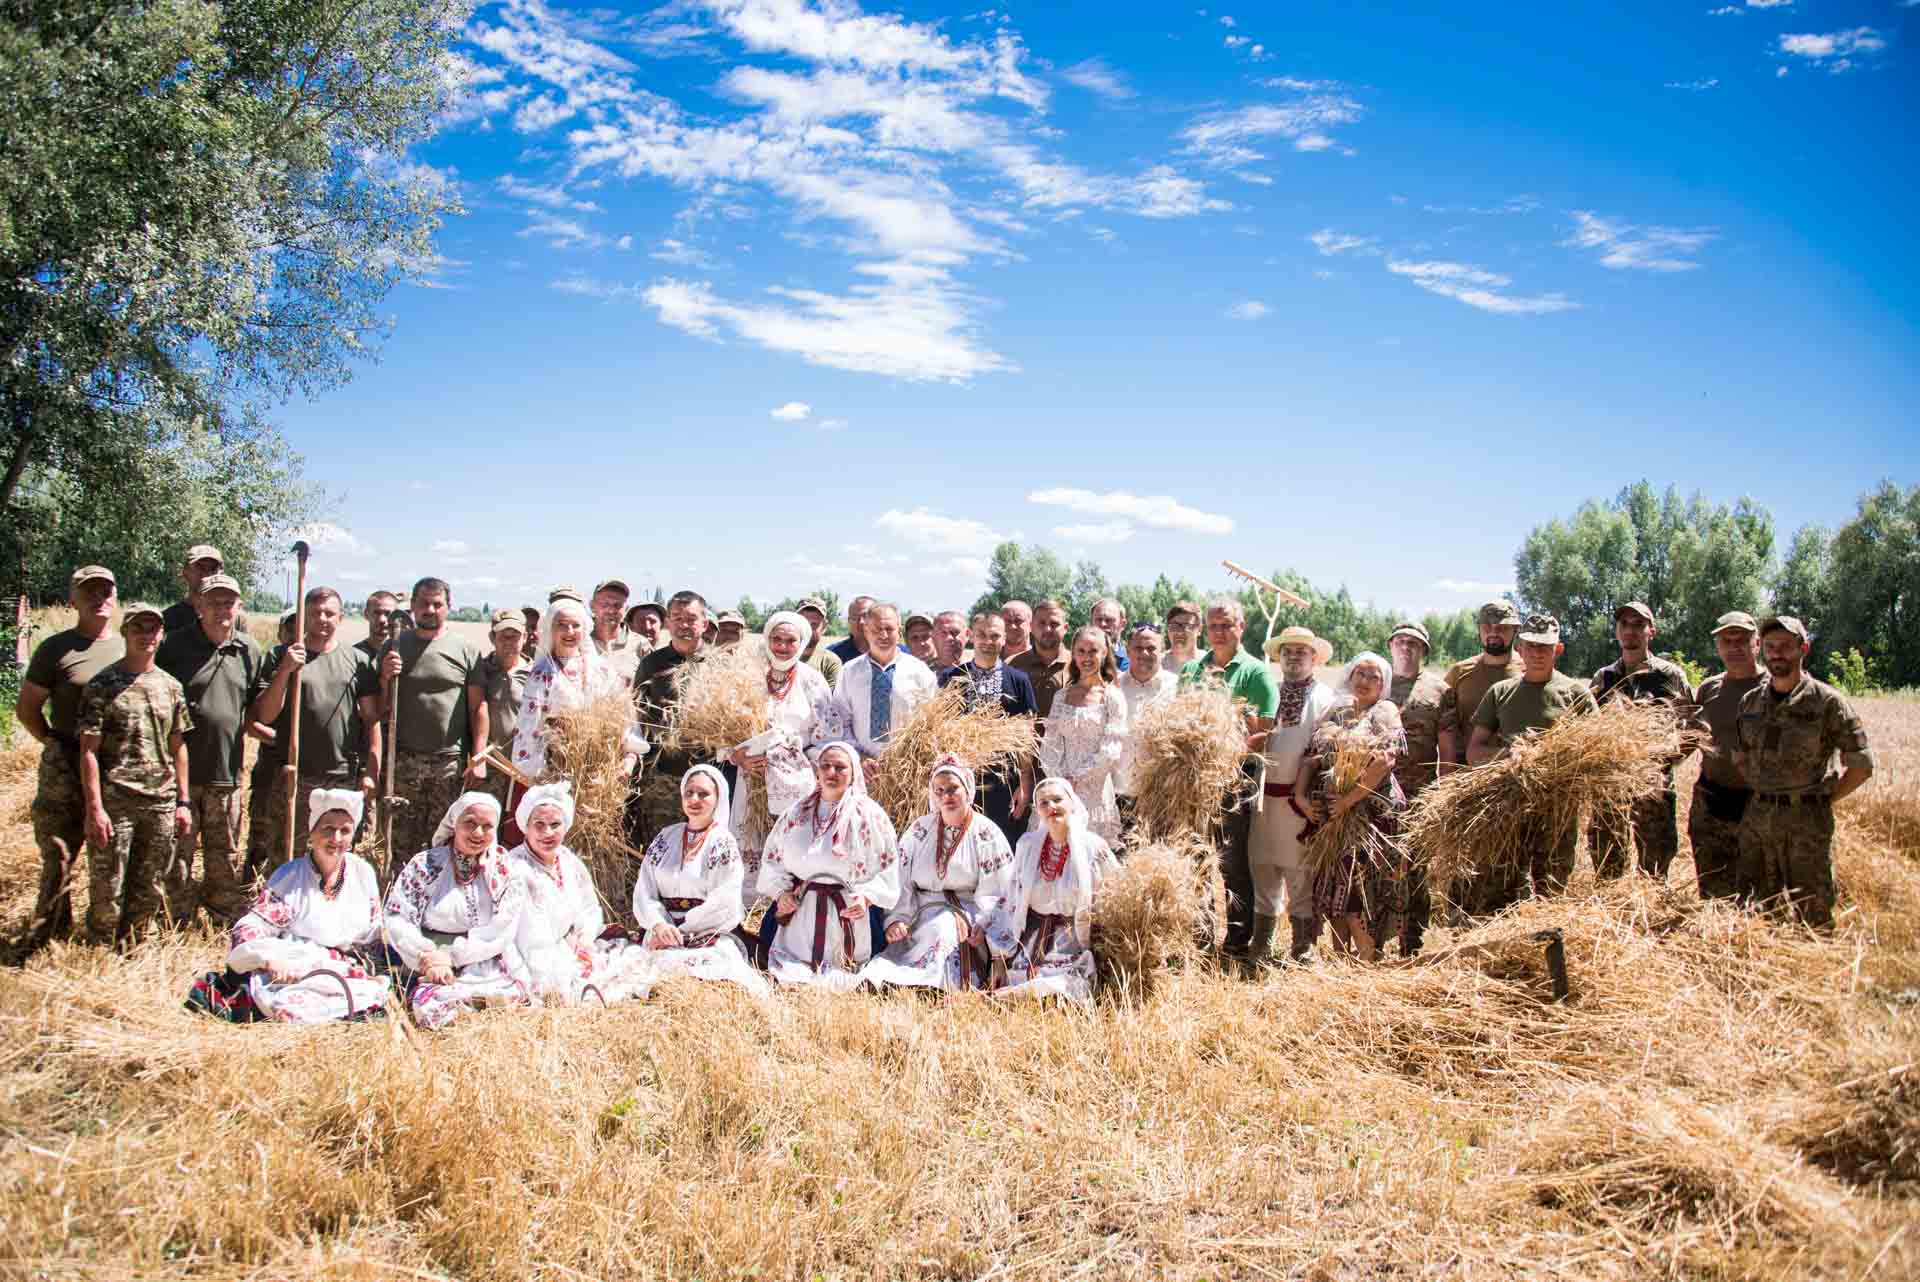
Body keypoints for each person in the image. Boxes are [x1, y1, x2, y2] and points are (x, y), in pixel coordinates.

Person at [1732, 616, 1874, 928]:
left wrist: (1821, 800)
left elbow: (1861, 766)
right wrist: (1762, 788)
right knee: (1756, 912)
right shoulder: (1751, 701)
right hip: (1758, 820)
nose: (1777, 653)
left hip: (1806, 824)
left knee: (1813, 915)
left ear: (1803, 649)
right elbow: (1739, 755)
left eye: (1785, 646)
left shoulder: (1828, 703)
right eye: (1770, 647)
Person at [212, 788, 391, 1023]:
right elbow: (251, 926)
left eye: (344, 831)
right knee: (288, 1005)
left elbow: (373, 931)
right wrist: (269, 960)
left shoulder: (363, 873)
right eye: (328, 829)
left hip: (348, 966)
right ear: (312, 832)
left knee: (368, 995)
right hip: (297, 964)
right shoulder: (291, 876)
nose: (336, 839)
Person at [18, 566, 127, 949]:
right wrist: (52, 741)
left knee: (112, 852)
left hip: (116, 765)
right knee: (59, 851)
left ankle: (103, 934)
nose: (99, 598)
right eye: (89, 592)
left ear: (115, 596)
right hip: (66, 761)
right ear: (73, 600)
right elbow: (28, 708)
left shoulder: (128, 644)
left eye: (105, 591)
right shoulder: (56, 648)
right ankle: (49, 932)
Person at [77, 602, 194, 947]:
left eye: (153, 629)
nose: (147, 635)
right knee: (107, 889)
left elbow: (178, 746)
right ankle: (98, 951)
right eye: (139, 628)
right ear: (126, 631)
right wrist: (95, 808)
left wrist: (183, 801)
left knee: (149, 886)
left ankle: (135, 949)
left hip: (160, 801)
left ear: (161, 634)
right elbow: (88, 750)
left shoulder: (170, 686)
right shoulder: (103, 684)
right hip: (117, 802)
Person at [1467, 614, 1599, 909]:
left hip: (1558, 808)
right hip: (1508, 806)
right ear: (1520, 648)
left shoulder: (1576, 694)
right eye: (1531, 646)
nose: (1538, 654)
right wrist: (1510, 754)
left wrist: (1556, 757)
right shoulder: (1501, 693)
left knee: (1551, 892)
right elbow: (1474, 752)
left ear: (1558, 650)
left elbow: (1595, 753)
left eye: (1545, 647)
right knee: (1501, 891)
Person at [247, 587, 380, 878]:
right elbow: (266, 715)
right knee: (289, 855)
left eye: (329, 613)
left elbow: (371, 719)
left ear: (341, 618)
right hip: (294, 774)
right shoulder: (280, 655)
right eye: (315, 613)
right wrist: (284, 671)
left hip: (340, 774)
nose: (322, 618)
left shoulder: (357, 661)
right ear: (304, 617)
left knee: (336, 854)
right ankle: (286, 912)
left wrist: (370, 769)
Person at [155, 571, 263, 924]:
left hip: (225, 773)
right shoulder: (173, 646)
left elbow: (256, 709)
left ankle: (221, 921)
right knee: (177, 857)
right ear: (199, 604)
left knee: (224, 857)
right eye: (213, 601)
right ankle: (176, 921)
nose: (222, 609)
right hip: (180, 776)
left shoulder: (249, 650)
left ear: (239, 605)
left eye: (228, 602)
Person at [1181, 599, 1283, 964]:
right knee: (1196, 858)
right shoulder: (1193, 670)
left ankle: (1238, 940)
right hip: (1193, 779)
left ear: (1242, 627)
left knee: (1232, 862)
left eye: (1227, 625)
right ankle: (1200, 936)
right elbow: (1181, 721)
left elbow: (1264, 732)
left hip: (1235, 779)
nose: (1220, 632)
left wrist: (1225, 751)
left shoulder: (1255, 673)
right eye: (1213, 626)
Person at [860, 757, 1012, 991]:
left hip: (965, 914)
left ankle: (931, 985)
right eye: (939, 790)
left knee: (942, 928)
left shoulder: (986, 833)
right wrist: (897, 919)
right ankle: (901, 982)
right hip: (920, 912)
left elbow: (998, 890)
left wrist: (986, 928)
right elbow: (901, 879)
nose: (946, 796)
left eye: (953, 789)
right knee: (902, 952)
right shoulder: (920, 829)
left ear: (968, 789)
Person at [758, 742, 900, 989]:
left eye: (840, 767)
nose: (831, 773)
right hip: (802, 908)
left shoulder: (870, 815)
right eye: (826, 766)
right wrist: (781, 894)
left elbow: (888, 868)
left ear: (853, 772)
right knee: (789, 975)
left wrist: (866, 898)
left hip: (847, 910)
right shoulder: (796, 812)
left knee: (848, 976)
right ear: (817, 771)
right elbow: (773, 860)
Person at [383, 791, 531, 1028]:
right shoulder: (425, 864)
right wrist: (425, 955)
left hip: (483, 959)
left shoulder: (505, 871)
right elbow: (397, 916)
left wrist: (454, 955)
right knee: (434, 1008)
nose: (478, 833)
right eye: (470, 823)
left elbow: (502, 929)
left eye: (487, 826)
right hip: (431, 963)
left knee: (511, 1000)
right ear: (455, 823)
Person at [1298, 653, 1408, 962]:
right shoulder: (1340, 712)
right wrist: (1301, 797)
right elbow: (1312, 758)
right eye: (1361, 673)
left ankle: (1366, 960)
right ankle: (1341, 961)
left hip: (1369, 813)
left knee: (1359, 885)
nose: (1365, 681)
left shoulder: (1384, 710)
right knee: (1334, 885)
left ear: (1383, 684)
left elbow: (1385, 760)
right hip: (1334, 814)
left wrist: (1348, 801)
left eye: (1374, 676)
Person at [726, 611, 842, 898]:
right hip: (751, 778)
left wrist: (795, 753)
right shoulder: (747, 679)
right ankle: (750, 908)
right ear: (766, 639)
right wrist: (735, 755)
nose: (782, 646)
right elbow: (723, 729)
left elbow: (828, 736)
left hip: (796, 782)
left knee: (790, 846)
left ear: (801, 643)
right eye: (776, 639)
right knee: (751, 844)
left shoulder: (812, 682)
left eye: (790, 640)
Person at [377, 578, 486, 876]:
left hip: (448, 763)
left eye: (437, 604)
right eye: (423, 603)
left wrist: (477, 758)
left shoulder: (465, 650)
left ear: (448, 607)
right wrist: (386, 677)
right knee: (401, 839)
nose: (430, 609)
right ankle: (398, 897)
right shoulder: (395, 645)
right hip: (403, 761)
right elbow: (381, 709)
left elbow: (478, 709)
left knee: (444, 838)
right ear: (412, 605)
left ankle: (440, 901)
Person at [509, 782, 651, 1003]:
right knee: (564, 986)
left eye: (555, 824)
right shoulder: (516, 868)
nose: (548, 833)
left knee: (638, 959)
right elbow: (529, 935)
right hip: (540, 953)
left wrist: (584, 938)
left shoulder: (567, 859)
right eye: (539, 824)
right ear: (525, 827)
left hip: (574, 944)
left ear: (565, 827)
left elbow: (589, 907)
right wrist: (568, 951)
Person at [632, 765, 768, 994]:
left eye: (704, 794)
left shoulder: (722, 842)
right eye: (689, 792)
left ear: (718, 799)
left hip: (706, 933)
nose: (694, 799)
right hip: (663, 932)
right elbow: (645, 889)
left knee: (715, 972)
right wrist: (658, 924)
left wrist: (681, 931)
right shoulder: (666, 837)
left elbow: (723, 900)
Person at [1243, 625, 1334, 964]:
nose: (1294, 657)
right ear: (1278, 657)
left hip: (1300, 803)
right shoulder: (1268, 692)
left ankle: (1303, 945)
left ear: (1314, 657)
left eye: (1301, 651)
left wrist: (1308, 796)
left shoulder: (1325, 699)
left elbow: (1323, 751)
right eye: (1288, 651)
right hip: (1263, 799)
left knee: (1300, 872)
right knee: (1263, 867)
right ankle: (1262, 943)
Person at [983, 778, 1117, 1002]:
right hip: (1032, 939)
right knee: (1024, 991)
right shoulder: (1027, 845)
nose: (1051, 807)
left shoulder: (1093, 847)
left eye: (1057, 800)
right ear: (1037, 811)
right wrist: (996, 945)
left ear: (1072, 803)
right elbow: (1012, 896)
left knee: (1067, 989)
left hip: (1071, 938)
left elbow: (1114, 892)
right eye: (1043, 803)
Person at [1589, 602, 1696, 881]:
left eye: (1638, 625)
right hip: (1611, 785)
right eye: (1624, 624)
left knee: (1656, 864)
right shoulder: (1604, 677)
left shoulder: (1670, 676)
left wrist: (1665, 763)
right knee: (1606, 861)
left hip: (1653, 783)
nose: (1630, 631)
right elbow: (1586, 727)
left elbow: (1693, 729)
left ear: (1652, 632)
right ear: (1616, 631)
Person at [937, 611, 1037, 848]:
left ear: (1004, 639)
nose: (988, 642)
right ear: (971, 636)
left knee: (1002, 843)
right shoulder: (953, 678)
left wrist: (1024, 784)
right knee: (962, 844)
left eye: (995, 636)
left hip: (1004, 779)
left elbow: (1027, 735)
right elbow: (940, 730)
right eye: (982, 635)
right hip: (962, 777)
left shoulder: (1018, 680)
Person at [511, 596, 625, 787]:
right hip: (555, 768)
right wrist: (537, 772)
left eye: (575, 625)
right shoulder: (541, 674)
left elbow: (620, 713)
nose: (569, 631)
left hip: (597, 770)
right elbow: (530, 727)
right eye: (562, 625)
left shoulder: (601, 670)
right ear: (550, 630)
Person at [1689, 612, 1766, 899]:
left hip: (1756, 804)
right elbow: (1691, 737)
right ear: (1718, 646)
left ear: (1756, 644)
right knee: (1712, 893)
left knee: (1757, 895)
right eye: (1726, 641)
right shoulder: (1709, 688)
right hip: (1711, 801)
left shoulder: (1774, 688)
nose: (1734, 647)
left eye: (1742, 640)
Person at [630, 590, 712, 852]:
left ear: (705, 624)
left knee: (703, 851)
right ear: (668, 623)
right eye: (677, 618)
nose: (683, 625)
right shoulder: (651, 665)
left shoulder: (720, 665)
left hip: (710, 778)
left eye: (691, 618)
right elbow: (635, 718)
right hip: (662, 779)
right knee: (662, 849)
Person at [1037, 626, 1130, 843]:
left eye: (1093, 651)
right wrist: (1061, 780)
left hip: (1094, 791)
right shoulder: (1061, 696)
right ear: (1074, 653)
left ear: (1104, 653)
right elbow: (1050, 744)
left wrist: (1078, 777)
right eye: (1081, 651)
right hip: (1060, 790)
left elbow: (1111, 749)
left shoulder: (1112, 697)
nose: (1086, 657)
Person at [1384, 621, 1444, 954]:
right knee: (1377, 866)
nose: (1407, 647)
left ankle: (1411, 942)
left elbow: (1448, 745)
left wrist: (1442, 794)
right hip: (1376, 792)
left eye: (1415, 643)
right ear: (1390, 645)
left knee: (1415, 869)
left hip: (1419, 793)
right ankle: (1373, 940)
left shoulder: (1438, 690)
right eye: (1401, 641)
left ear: (1424, 651)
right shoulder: (1374, 681)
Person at [828, 602, 938, 785]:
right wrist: (859, 757)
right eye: (877, 629)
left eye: (889, 628)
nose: (883, 635)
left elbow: (930, 724)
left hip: (905, 773)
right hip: (860, 772)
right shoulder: (850, 671)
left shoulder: (920, 672)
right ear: (866, 631)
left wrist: (907, 759)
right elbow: (840, 721)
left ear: (899, 632)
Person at [1438, 601, 1524, 774]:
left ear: (1515, 630)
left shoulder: (1529, 671)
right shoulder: (1459, 672)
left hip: (1515, 775)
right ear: (1479, 629)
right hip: (1464, 775)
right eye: (1487, 627)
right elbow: (1444, 727)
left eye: (1502, 628)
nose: (1493, 633)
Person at [1114, 624, 1178, 838]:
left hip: (1162, 796)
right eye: (1138, 648)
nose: (1144, 654)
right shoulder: (1113, 687)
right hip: (1118, 792)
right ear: (1128, 650)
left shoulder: (1177, 687)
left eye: (1151, 648)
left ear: (1163, 650)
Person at [469, 609, 530, 809]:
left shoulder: (536, 674)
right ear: (492, 638)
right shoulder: (479, 670)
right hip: (487, 764)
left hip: (521, 768)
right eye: (503, 636)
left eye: (515, 637)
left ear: (526, 638)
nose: (509, 642)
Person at [1010, 599, 1073, 719]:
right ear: (1031, 627)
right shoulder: (1012, 665)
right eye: (1041, 623)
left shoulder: (1079, 664)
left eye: (1054, 624)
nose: (1047, 629)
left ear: (1065, 628)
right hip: (1022, 737)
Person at [161, 544, 225, 636]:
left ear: (221, 574)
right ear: (185, 572)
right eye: (200, 567)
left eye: (213, 569)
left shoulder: (230, 618)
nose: (207, 574)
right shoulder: (167, 619)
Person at [795, 597, 843, 685]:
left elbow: (831, 697)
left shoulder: (830, 662)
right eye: (803, 623)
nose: (807, 629)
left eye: (814, 625)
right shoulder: (779, 655)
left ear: (824, 627)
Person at [353, 590, 400, 664]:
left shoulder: (403, 652)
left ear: (397, 616)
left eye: (388, 613)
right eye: (376, 613)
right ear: (366, 614)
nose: (382, 620)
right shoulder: (353, 654)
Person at [827, 595, 875, 664]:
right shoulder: (832, 655)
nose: (861, 622)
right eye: (855, 618)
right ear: (849, 621)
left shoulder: (893, 653)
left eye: (866, 616)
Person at [1161, 601, 1203, 674]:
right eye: (1174, 626)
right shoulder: (1157, 664)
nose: (1179, 632)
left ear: (1199, 629)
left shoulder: (1210, 662)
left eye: (1186, 625)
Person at [1089, 598, 1130, 672]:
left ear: (1122, 624)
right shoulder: (1077, 660)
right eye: (1098, 619)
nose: (1103, 624)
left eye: (1109, 620)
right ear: (1091, 623)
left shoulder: (1133, 661)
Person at [1000, 599, 1033, 663]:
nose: (1012, 627)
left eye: (1018, 621)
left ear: (1031, 625)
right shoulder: (985, 658)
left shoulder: (1042, 660)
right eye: (1007, 621)